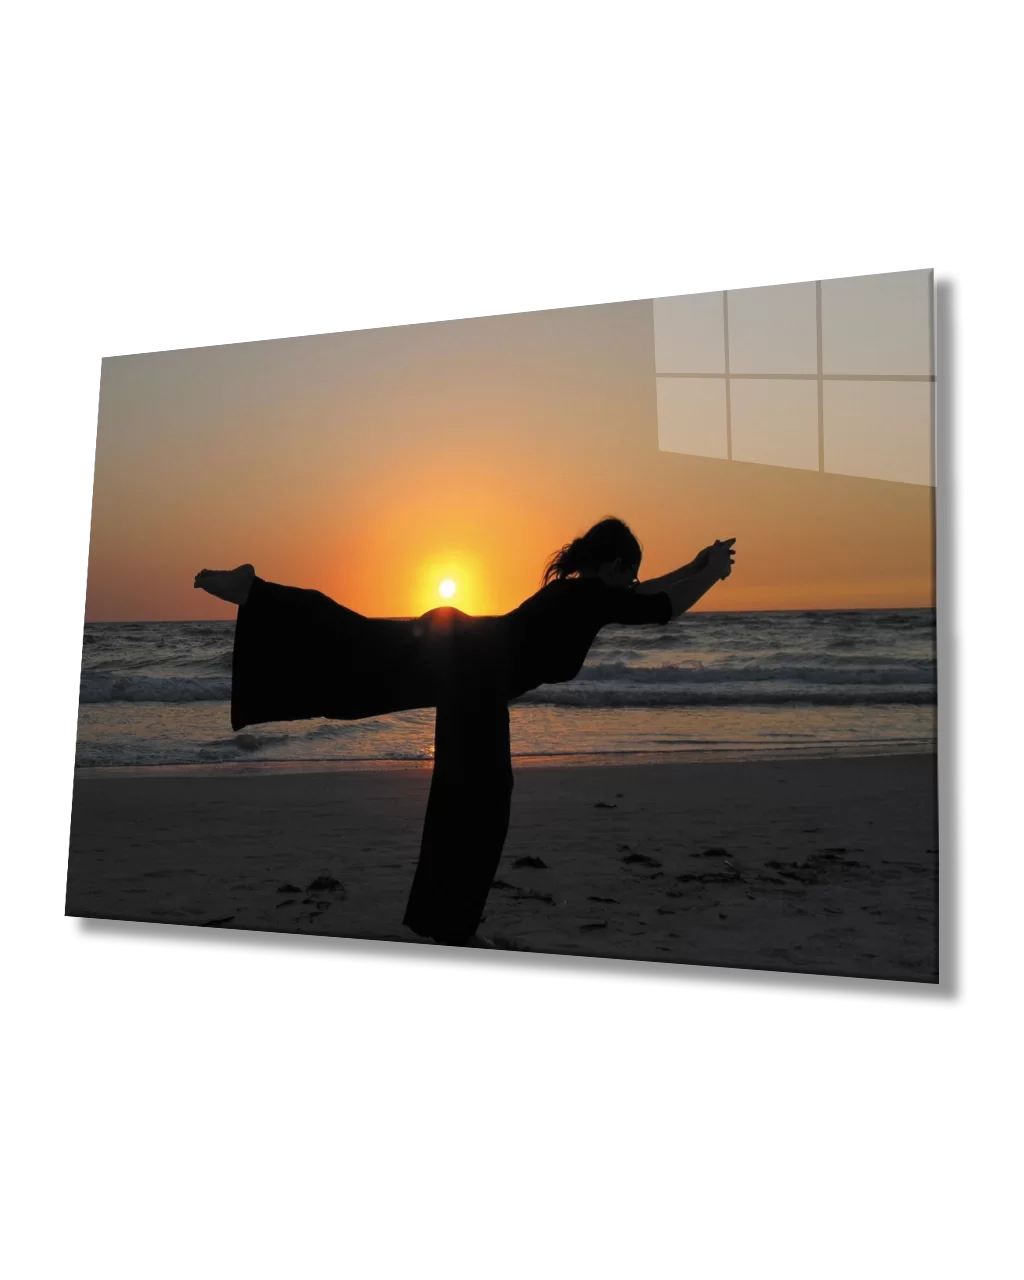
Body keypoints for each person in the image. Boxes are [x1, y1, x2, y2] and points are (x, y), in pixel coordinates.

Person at [194, 518, 736, 949]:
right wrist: (710, 574)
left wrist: (693, 563)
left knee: (362, 663)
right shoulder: (590, 597)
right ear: (616, 567)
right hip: (469, 671)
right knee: (480, 800)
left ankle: (445, 923)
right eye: (631, 574)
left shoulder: (584, 594)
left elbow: (645, 597)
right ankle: (453, 927)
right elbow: (661, 608)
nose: (634, 585)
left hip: (461, 660)